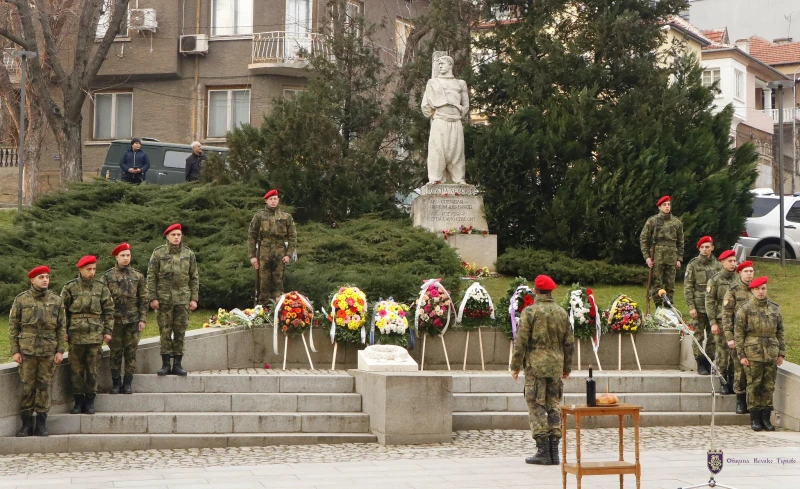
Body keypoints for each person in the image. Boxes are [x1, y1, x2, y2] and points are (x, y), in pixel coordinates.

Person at [510, 275, 573, 466]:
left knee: (536, 405)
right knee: (553, 404)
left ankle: (543, 451)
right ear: (552, 291)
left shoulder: (530, 312)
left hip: (535, 366)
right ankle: (554, 451)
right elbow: (569, 343)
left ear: (535, 291)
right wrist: (567, 367)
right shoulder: (562, 312)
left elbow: (520, 342)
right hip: (555, 365)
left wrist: (515, 366)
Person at [8, 266, 67, 437]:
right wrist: (15, 351)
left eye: (47, 277)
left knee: (44, 386)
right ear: (32, 280)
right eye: (41, 277)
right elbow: (13, 327)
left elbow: (61, 327)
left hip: (48, 351)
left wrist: (59, 350)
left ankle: (41, 423)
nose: (45, 280)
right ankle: (26, 424)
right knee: (28, 387)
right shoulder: (21, 300)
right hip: (27, 351)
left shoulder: (56, 300)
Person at [61, 255, 114, 415]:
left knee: (92, 369)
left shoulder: (101, 288)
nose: (92, 272)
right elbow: (61, 312)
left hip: (94, 335)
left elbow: (109, 310)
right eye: (88, 269)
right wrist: (63, 331)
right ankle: (78, 402)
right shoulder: (69, 288)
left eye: (94, 269)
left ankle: (90, 401)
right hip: (75, 335)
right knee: (76, 370)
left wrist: (108, 330)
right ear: (80, 270)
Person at [147, 223, 199, 376]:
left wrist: (194, 298)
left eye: (178, 235)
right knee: (165, 331)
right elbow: (151, 277)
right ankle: (165, 365)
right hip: (164, 299)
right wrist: (153, 297)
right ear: (167, 236)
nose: (176, 237)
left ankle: (177, 364)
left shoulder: (188, 254)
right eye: (173, 235)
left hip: (183, 298)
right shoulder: (158, 253)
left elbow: (194, 277)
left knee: (180, 331)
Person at [734, 276, 785, 432]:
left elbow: (780, 331)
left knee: (768, 386)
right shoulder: (745, 309)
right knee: (754, 385)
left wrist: (781, 352)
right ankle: (755, 418)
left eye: (763, 288)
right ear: (752, 290)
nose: (761, 292)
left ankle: (766, 418)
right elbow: (739, 334)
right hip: (753, 353)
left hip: (771, 352)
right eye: (757, 289)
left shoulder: (774, 308)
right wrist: (741, 355)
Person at [100, 243, 148, 395]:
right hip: (114, 322)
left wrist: (143, 319)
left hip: (133, 321)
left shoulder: (138, 276)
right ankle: (115, 383)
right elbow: (102, 301)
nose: (126, 258)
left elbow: (144, 298)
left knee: (130, 353)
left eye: (128, 255)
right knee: (115, 353)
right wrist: (104, 324)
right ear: (116, 257)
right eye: (123, 255)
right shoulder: (107, 276)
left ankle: (127, 383)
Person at [421, 55, 469, 184]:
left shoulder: (460, 83)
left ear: (450, 65)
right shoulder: (433, 83)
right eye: (439, 64)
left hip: (456, 121)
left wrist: (457, 111)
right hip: (440, 120)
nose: (440, 66)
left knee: (457, 152)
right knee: (437, 150)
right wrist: (438, 113)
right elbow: (425, 106)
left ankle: (459, 178)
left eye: (442, 64)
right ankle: (435, 178)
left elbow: (466, 105)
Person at [248, 190, 297, 303]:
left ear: (278, 200)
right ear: (266, 201)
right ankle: (263, 308)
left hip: (280, 253)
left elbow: (293, 237)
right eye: (271, 199)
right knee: (264, 282)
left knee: (278, 282)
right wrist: (252, 256)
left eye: (275, 199)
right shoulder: (259, 216)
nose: (273, 201)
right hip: (263, 253)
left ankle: (277, 308)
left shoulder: (286, 217)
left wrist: (289, 254)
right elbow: (251, 236)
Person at [683, 236, 721, 377]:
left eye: (708, 246)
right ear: (699, 248)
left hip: (714, 308)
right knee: (698, 335)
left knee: (713, 337)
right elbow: (688, 287)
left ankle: (710, 361)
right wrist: (691, 306)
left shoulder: (718, 265)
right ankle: (700, 362)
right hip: (698, 306)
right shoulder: (693, 264)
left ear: (712, 248)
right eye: (702, 247)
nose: (705, 249)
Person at [722, 260, 755, 413]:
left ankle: (753, 401)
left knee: (754, 370)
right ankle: (740, 400)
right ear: (740, 273)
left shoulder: (756, 290)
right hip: (738, 336)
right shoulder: (733, 291)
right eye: (746, 271)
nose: (749, 274)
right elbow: (727, 315)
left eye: (751, 271)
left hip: (755, 338)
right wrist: (730, 337)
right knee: (739, 370)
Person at [640, 195, 684, 307]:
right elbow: (643, 238)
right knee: (657, 283)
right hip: (657, 257)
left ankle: (669, 307)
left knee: (670, 284)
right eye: (664, 205)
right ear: (659, 207)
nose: (667, 207)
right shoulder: (652, 221)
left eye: (669, 204)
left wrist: (679, 258)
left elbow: (681, 241)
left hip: (671, 257)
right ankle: (658, 306)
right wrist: (647, 257)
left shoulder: (676, 222)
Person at [705, 250, 737, 381]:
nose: (733, 264)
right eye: (730, 261)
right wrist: (713, 322)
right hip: (720, 320)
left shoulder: (739, 279)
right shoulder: (715, 280)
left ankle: (733, 381)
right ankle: (723, 380)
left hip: (736, 321)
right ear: (722, 262)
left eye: (734, 261)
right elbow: (709, 301)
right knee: (722, 352)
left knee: (735, 354)